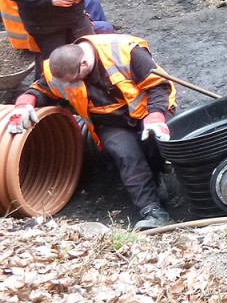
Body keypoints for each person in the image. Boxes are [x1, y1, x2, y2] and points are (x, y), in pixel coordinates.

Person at [7, 33, 177, 230]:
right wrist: (23, 104)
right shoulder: (59, 70)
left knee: (157, 143)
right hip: (109, 123)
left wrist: (156, 117)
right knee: (126, 155)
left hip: (149, 110)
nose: (69, 86)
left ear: (85, 63)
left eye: (74, 80)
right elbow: (39, 90)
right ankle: (153, 212)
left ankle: (158, 170)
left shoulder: (125, 52)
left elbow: (159, 86)